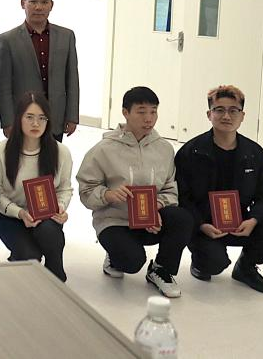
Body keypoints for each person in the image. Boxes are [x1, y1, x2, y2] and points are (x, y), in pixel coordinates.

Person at [77, 87, 193, 298]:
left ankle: (161, 269)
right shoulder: (104, 149)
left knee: (182, 218)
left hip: (151, 222)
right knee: (131, 263)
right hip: (115, 221)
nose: (149, 118)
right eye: (141, 111)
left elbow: (170, 189)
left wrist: (156, 207)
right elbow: (86, 190)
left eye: (153, 111)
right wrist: (107, 194)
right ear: (125, 112)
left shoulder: (164, 149)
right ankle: (114, 257)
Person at [176, 85, 263, 294]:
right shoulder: (191, 152)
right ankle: (201, 261)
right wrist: (200, 224)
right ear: (209, 114)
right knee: (214, 263)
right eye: (219, 110)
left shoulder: (254, 153)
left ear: (242, 116)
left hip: (241, 223)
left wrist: (253, 220)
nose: (226, 116)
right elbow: (181, 196)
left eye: (233, 110)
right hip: (205, 225)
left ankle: (246, 266)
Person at [0, 93, 72, 281]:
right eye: (29, 117)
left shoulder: (60, 152)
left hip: (45, 215)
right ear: (18, 118)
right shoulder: (1, 151)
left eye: (41, 118)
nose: (36, 123)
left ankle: (56, 273)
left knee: (50, 233)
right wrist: (20, 213)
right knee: (30, 256)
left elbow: (64, 188)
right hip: (11, 217)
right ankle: (20, 254)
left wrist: (60, 207)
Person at [0, 0, 79, 141]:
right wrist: (7, 121)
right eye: (33, 1)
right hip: (23, 118)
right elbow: (3, 86)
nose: (39, 7)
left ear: (51, 5)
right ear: (23, 3)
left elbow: (72, 79)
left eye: (44, 2)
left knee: (53, 156)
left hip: (55, 116)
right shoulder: (8, 40)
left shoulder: (66, 36)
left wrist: (72, 115)